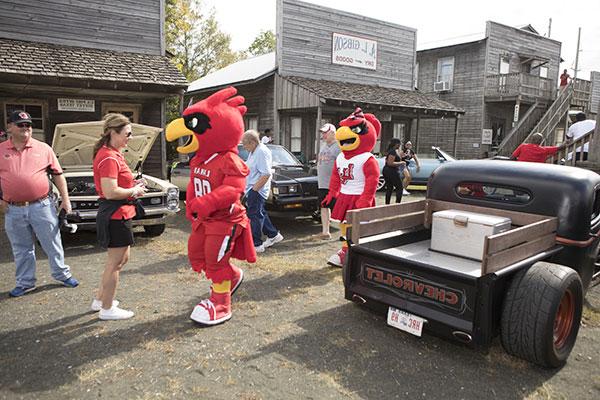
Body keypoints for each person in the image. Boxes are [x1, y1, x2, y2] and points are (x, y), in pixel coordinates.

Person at [0, 110, 79, 297]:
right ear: (10, 127)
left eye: (28, 125)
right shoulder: (1, 150)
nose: (26, 128)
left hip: (42, 206)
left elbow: (58, 175)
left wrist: (65, 200)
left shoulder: (43, 148)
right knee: (21, 248)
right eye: (21, 125)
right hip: (13, 209)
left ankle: (62, 274)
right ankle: (26, 283)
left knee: (52, 243)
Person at [91, 113, 147, 320]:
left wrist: (133, 184)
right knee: (115, 263)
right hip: (115, 214)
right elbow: (110, 191)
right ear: (113, 133)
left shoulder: (113, 153)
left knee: (121, 260)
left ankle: (100, 300)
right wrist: (134, 191)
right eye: (127, 134)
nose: (130, 138)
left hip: (120, 213)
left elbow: (118, 183)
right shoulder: (108, 157)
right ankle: (107, 309)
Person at [242, 130, 283, 252]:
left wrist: (254, 191)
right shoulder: (254, 151)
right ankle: (273, 235)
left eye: (245, 144)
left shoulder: (261, 152)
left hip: (257, 189)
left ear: (253, 142)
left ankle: (257, 244)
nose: (244, 147)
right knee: (260, 213)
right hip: (252, 188)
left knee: (254, 216)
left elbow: (265, 174)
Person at [313, 123, 340, 239]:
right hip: (322, 183)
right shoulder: (323, 146)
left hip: (334, 185)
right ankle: (325, 232)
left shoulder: (339, 147)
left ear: (333, 133)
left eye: (325, 132)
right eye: (322, 133)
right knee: (324, 206)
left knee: (338, 209)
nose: (323, 135)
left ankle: (347, 232)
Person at [382, 138, 406, 204]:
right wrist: (401, 162)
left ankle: (387, 204)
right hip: (391, 171)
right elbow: (390, 163)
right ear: (396, 144)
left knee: (390, 187)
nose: (399, 146)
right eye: (399, 144)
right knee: (400, 187)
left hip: (387, 170)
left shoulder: (391, 151)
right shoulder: (392, 151)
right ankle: (397, 204)